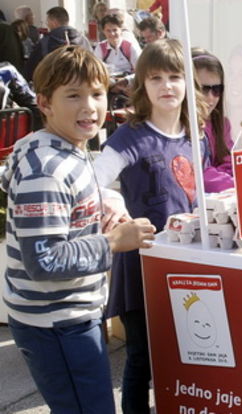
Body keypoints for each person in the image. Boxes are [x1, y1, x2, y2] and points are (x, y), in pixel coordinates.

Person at [2, 45, 155, 413]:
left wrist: (98, 212)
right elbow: (44, 260)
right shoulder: (47, 169)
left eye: (97, 94)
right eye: (73, 95)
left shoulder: (65, 149)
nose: (89, 106)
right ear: (44, 103)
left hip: (67, 318)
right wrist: (112, 242)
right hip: (57, 324)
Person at [94, 39, 207, 413]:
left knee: (187, 353)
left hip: (188, 264)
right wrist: (114, 205)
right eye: (156, 78)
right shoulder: (130, 136)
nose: (166, 86)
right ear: (142, 84)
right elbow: (91, 183)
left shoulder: (196, 134)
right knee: (141, 359)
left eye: (174, 76)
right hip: (141, 267)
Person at [193, 48, 235, 193]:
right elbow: (196, 174)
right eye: (203, 89)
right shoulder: (177, 128)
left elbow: (229, 163)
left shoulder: (222, 124)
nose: (210, 97)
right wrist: (231, 183)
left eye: (217, 89)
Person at [25, 6, 91, 81]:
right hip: (82, 82)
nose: (47, 25)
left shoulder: (45, 42)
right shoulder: (83, 40)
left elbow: (31, 69)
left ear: (54, 22)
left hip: (55, 84)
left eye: (47, 22)